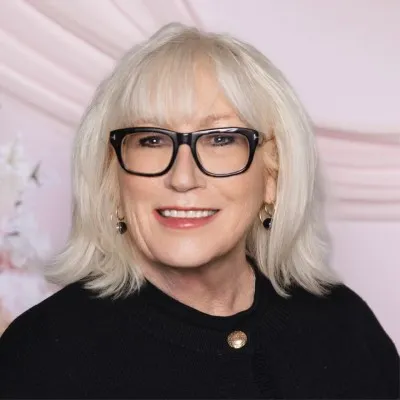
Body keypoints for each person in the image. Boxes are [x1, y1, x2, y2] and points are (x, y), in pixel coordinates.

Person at [0, 23, 398, 399]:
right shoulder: (40, 354)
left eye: (221, 139)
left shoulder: (344, 325)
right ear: (112, 179)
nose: (182, 177)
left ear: (273, 176)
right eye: (152, 139)